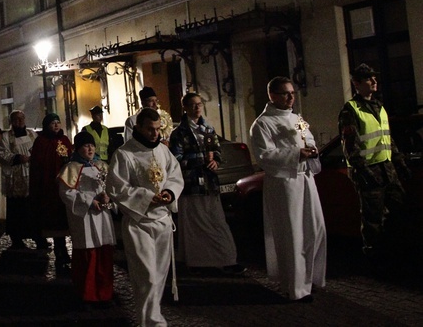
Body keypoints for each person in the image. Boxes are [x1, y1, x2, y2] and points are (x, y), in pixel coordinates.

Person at [249, 76, 326, 302]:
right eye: (285, 93)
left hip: (305, 179)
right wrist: (296, 154)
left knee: (315, 229)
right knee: (292, 234)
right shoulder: (263, 123)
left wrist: (311, 149)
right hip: (285, 183)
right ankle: (295, 288)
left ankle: (311, 279)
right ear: (272, 95)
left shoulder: (296, 117)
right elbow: (264, 156)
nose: (291, 97)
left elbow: (308, 138)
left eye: (292, 92)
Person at [107, 107, 184, 326]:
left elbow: (174, 176)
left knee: (159, 276)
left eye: (158, 129)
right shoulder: (124, 154)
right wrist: (148, 197)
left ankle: (152, 318)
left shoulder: (163, 151)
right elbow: (116, 188)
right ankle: (149, 321)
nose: (155, 134)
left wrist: (169, 193)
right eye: (150, 129)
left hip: (162, 221)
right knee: (146, 277)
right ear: (138, 127)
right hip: (138, 223)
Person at [169, 92, 244, 274]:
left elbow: (216, 149)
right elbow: (176, 158)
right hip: (192, 184)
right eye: (193, 105)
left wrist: (215, 160)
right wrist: (200, 160)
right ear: (185, 108)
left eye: (199, 104)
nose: (197, 107)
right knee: (195, 224)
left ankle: (225, 258)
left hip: (210, 183)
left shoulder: (208, 128)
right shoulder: (179, 133)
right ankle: (198, 261)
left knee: (217, 221)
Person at [338, 63, 408, 256]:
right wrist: (363, 171)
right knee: (372, 218)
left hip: (387, 168)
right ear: (357, 84)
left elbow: (387, 137)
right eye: (369, 78)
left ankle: (395, 250)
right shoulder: (351, 110)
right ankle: (374, 255)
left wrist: (399, 161)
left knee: (398, 209)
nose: (374, 81)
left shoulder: (379, 106)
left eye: (374, 77)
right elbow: (350, 145)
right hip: (368, 170)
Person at [58, 131, 116, 308]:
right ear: (78, 148)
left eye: (91, 145)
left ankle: (105, 292)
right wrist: (89, 201)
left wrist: (109, 198)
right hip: (85, 217)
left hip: (103, 216)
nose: (90, 148)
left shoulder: (101, 165)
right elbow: (66, 192)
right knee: (88, 254)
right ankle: (88, 294)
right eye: (85, 145)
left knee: (104, 252)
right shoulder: (71, 168)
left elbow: (113, 186)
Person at [30, 113, 73, 264]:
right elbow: (36, 166)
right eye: (53, 123)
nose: (56, 125)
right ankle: (58, 249)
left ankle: (63, 249)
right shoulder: (41, 142)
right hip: (48, 188)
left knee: (63, 219)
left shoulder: (65, 140)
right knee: (52, 219)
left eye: (58, 122)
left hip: (63, 186)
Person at [0, 110, 38, 249]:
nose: (19, 122)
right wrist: (17, 158)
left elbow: (38, 149)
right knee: (17, 209)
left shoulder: (32, 134)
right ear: (11, 122)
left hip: (31, 175)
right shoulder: (7, 136)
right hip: (16, 177)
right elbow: (1, 153)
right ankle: (17, 237)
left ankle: (36, 235)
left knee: (32, 208)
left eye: (21, 119)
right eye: (16, 119)